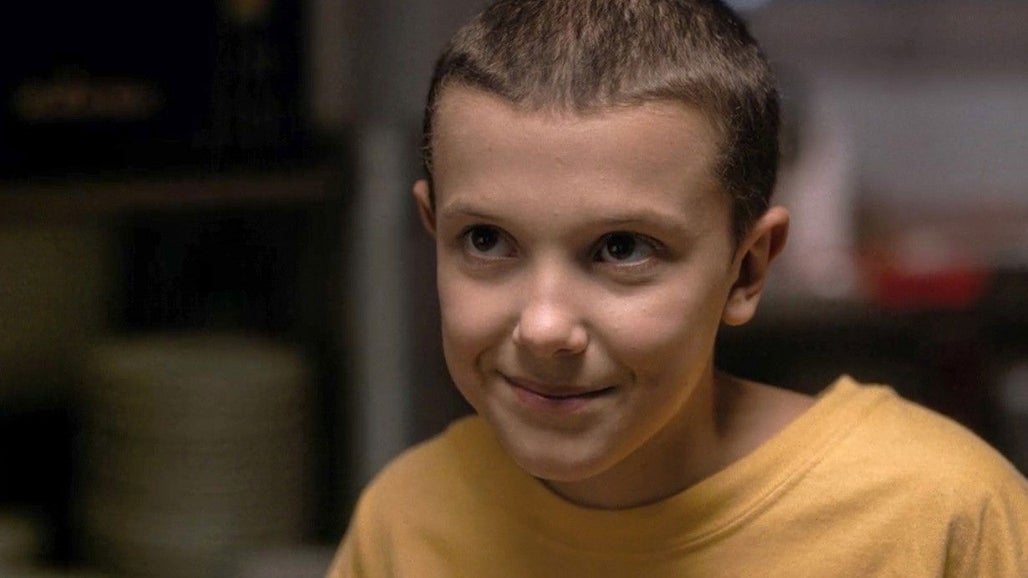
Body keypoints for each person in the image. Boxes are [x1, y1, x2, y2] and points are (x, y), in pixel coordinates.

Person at [328, 0, 1028, 575]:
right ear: (433, 233)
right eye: (485, 240)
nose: (543, 327)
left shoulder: (939, 517)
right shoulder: (406, 524)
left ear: (747, 270)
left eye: (622, 249)